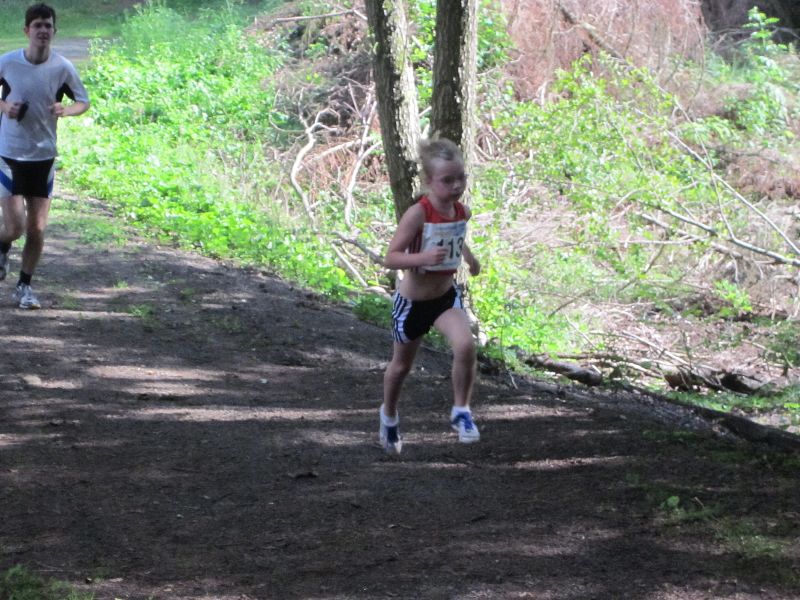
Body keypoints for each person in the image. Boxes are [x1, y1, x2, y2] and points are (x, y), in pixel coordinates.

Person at [379, 137, 482, 455]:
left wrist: (470, 258)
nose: (456, 186)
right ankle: (389, 416)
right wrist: (422, 258)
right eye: (447, 180)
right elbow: (391, 258)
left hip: (445, 298)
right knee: (401, 367)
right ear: (428, 181)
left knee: (465, 345)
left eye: (461, 178)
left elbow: (457, 237)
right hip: (413, 303)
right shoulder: (418, 214)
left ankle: (461, 411)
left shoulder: (461, 211)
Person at [0, 3, 90, 309]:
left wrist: (66, 109)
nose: (43, 30)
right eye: (37, 25)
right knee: (15, 227)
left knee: (37, 228)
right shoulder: (8, 63)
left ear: (54, 31)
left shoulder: (63, 67)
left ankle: (24, 287)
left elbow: (83, 101)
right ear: (26, 30)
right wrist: (5, 107)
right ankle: (2, 245)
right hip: (9, 154)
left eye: (48, 25)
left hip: (43, 156)